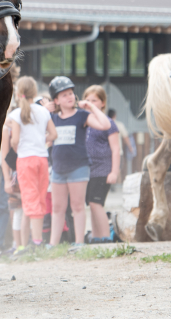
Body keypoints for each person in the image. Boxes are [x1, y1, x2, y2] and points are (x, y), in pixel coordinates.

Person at [47, 76, 111, 247]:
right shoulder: (52, 118)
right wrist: (44, 108)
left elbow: (105, 125)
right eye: (64, 95)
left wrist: (90, 107)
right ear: (56, 100)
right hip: (58, 169)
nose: (69, 97)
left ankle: (79, 243)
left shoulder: (82, 115)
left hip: (79, 167)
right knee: (57, 208)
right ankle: (52, 244)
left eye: (71, 93)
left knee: (77, 206)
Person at [7, 76, 56, 252]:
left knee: (29, 200)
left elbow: (15, 140)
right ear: (34, 93)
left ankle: (33, 243)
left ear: (18, 93)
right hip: (42, 159)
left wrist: (17, 146)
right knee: (41, 199)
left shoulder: (16, 114)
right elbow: (53, 134)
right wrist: (40, 141)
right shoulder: (43, 112)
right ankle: (38, 240)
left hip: (25, 159)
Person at [81, 85, 120, 243]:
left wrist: (114, 172)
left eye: (94, 100)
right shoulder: (84, 121)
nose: (90, 103)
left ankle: (106, 237)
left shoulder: (109, 123)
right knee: (91, 204)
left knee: (97, 203)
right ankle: (96, 237)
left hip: (102, 169)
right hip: (87, 170)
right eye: (87, 100)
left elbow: (116, 149)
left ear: (103, 103)